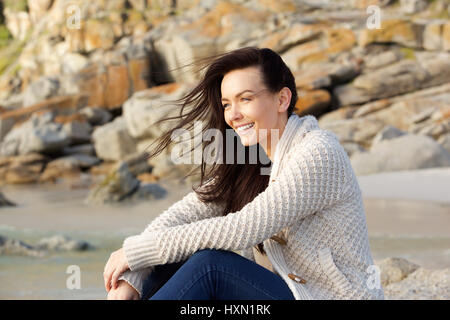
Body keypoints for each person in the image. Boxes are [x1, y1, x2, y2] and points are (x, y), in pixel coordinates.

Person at [103, 46, 385, 300]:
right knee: (176, 260)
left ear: (282, 99)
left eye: (245, 99)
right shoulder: (253, 159)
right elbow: (185, 216)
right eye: (227, 104)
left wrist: (137, 251)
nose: (233, 115)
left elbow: (244, 227)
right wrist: (134, 274)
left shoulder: (318, 152)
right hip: (290, 294)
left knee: (210, 266)